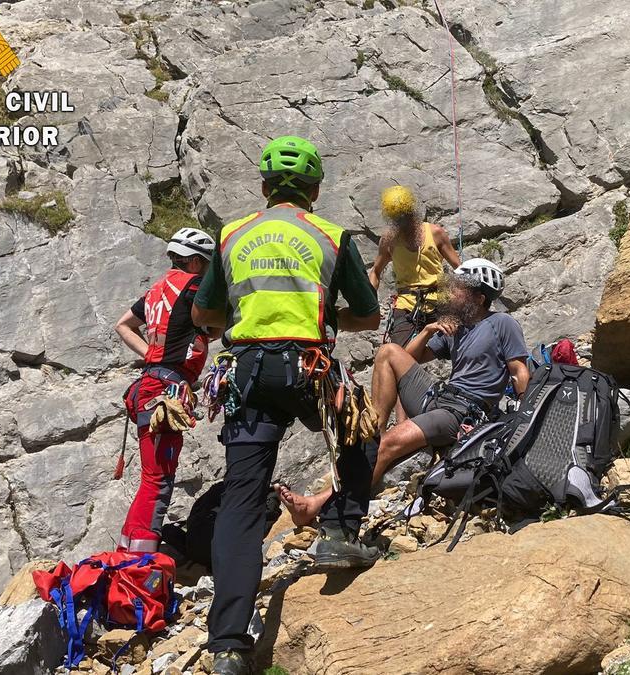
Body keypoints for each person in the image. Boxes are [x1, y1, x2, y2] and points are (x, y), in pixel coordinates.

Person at [190, 135, 382, 675]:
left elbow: (206, 316)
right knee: (358, 432)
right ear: (316, 189)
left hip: (247, 375)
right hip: (309, 368)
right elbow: (367, 317)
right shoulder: (330, 235)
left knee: (242, 502)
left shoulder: (231, 236)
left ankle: (228, 645)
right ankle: (341, 533)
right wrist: (323, 319)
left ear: (264, 187)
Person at [278, 258, 530, 526]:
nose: (451, 292)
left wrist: (523, 421)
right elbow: (410, 358)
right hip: (440, 396)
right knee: (388, 352)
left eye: (459, 288)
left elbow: (519, 372)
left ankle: (318, 504)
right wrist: (428, 329)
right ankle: (374, 429)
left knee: (387, 447)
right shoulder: (457, 327)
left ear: (479, 298)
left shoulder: (502, 323)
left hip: (463, 411)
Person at [114, 227, 220, 553]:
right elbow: (220, 323)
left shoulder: (156, 291)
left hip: (149, 385)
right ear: (196, 263)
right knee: (158, 480)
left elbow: (123, 325)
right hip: (166, 392)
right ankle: (141, 560)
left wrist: (150, 352)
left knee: (151, 477)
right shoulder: (195, 287)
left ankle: (127, 553)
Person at [368, 185, 461, 347]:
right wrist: (369, 301)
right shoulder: (389, 240)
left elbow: (459, 268)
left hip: (439, 299)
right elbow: (376, 271)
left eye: (404, 216)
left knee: (459, 343)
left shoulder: (435, 233)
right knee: (400, 353)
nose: (403, 221)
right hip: (406, 304)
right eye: (398, 218)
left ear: (412, 211)